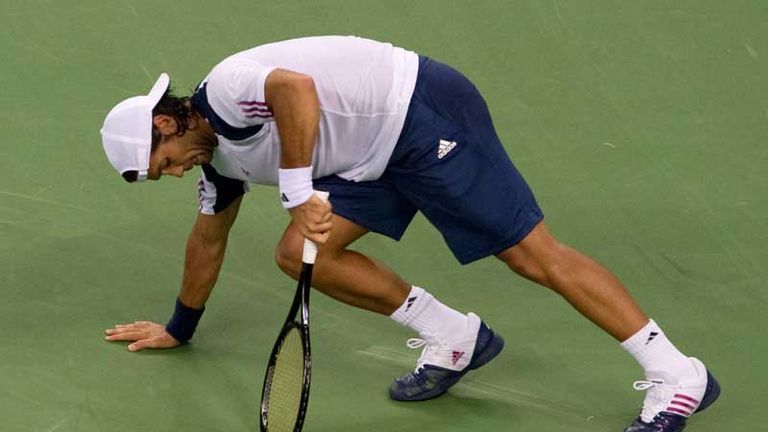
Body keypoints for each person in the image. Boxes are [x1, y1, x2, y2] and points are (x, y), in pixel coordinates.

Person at [100, 35, 719, 431]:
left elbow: (295, 89)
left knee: (532, 256)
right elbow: (207, 240)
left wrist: (297, 192)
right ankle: (456, 337)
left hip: (419, 113)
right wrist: (180, 328)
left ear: (167, 124)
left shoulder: (228, 89)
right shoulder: (219, 165)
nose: (176, 173)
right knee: (301, 253)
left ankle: (677, 374)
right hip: (366, 161)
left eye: (166, 163)